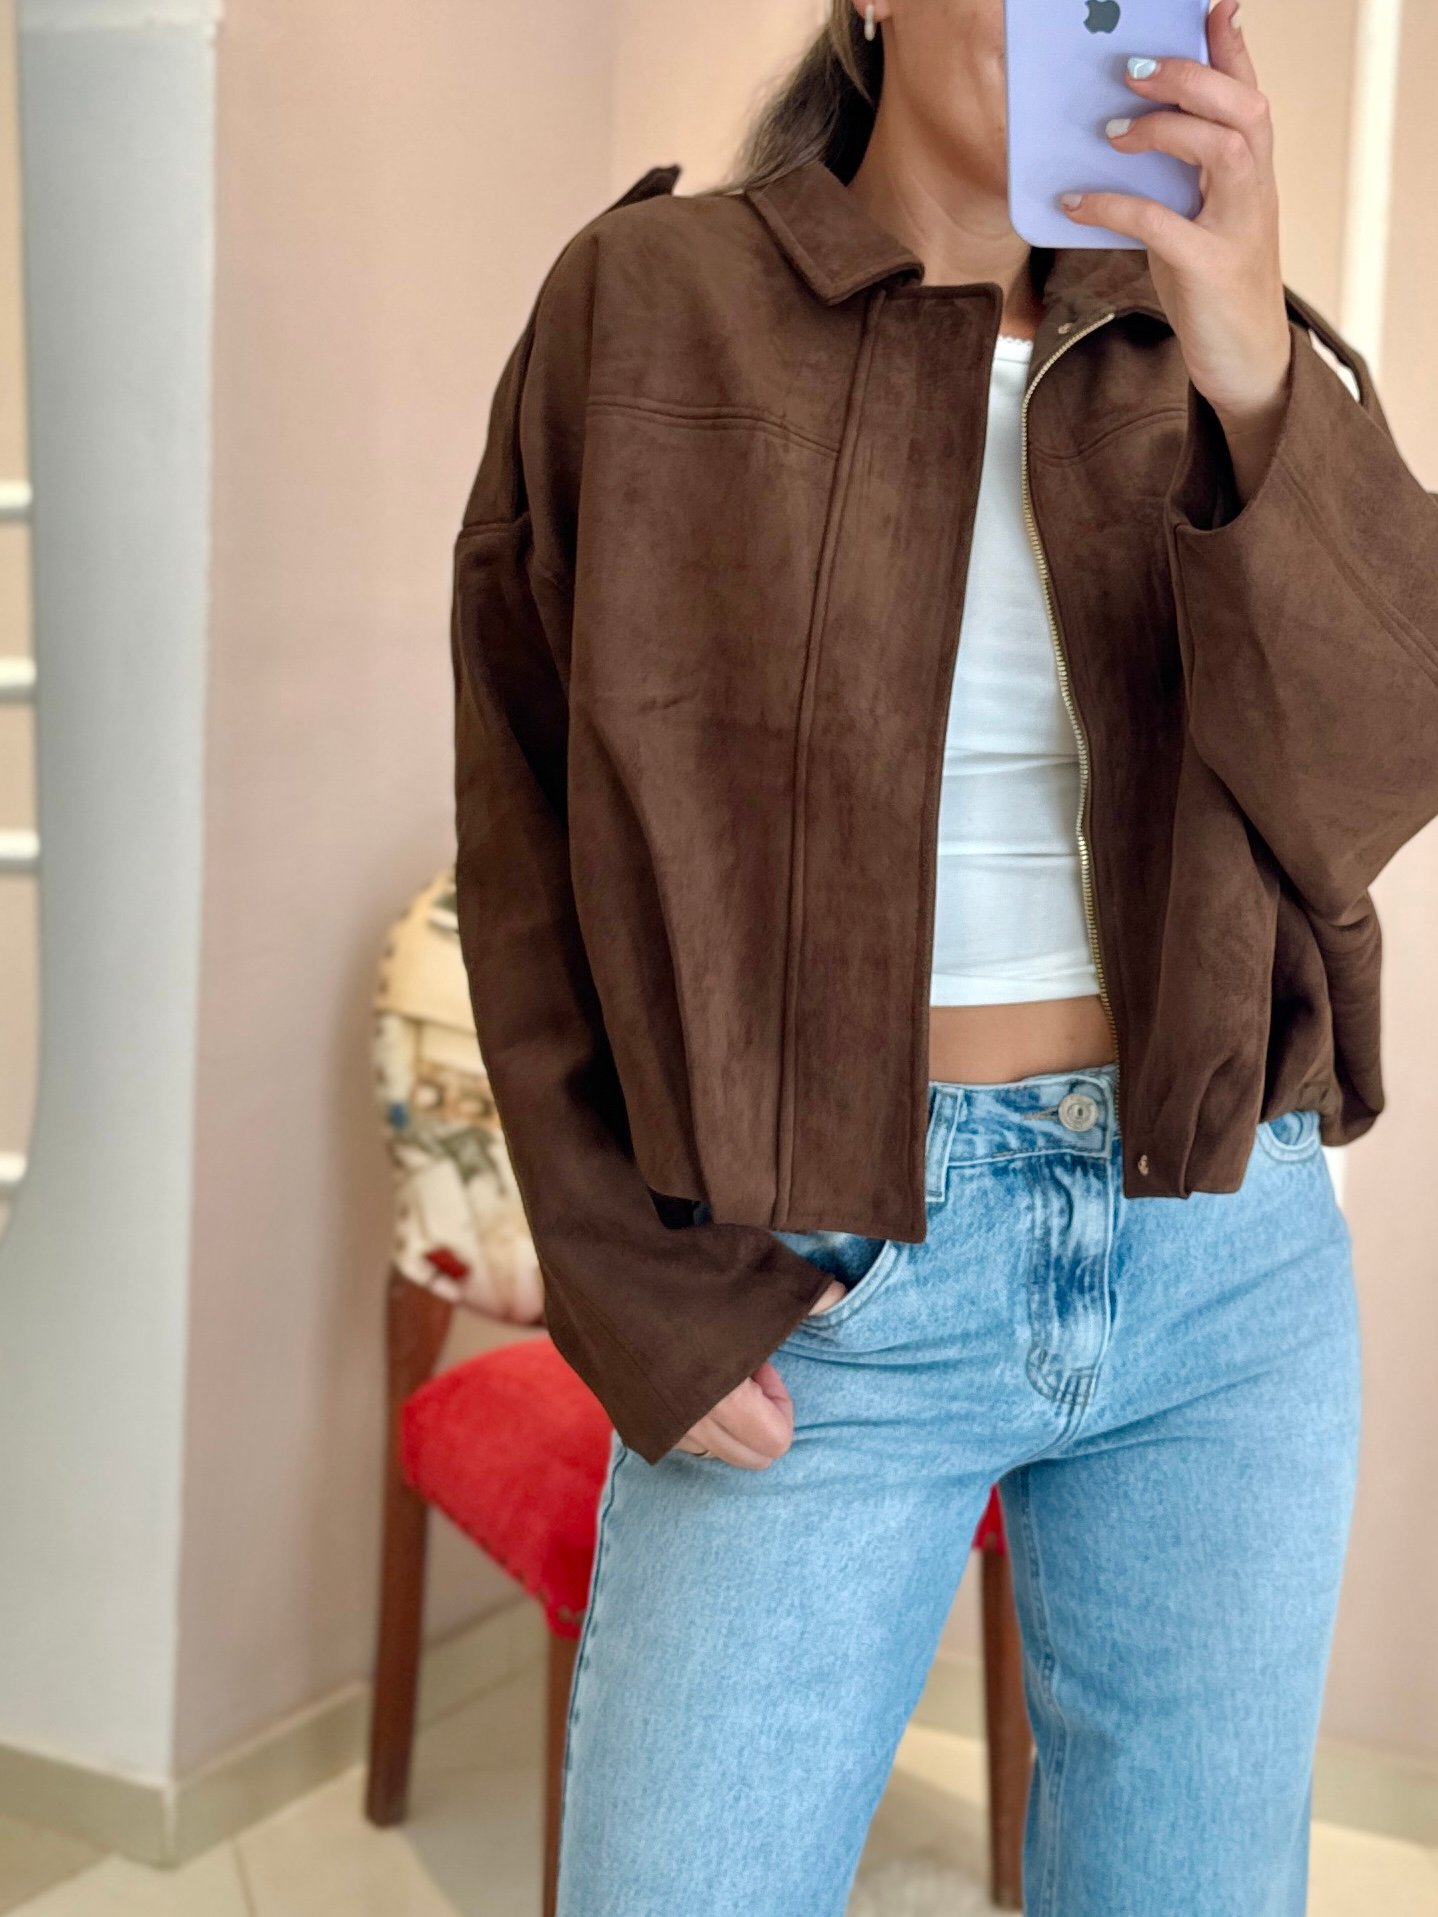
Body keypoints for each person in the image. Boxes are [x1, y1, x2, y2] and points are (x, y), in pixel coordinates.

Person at [448, 2, 1438, 1911]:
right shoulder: (650, 305)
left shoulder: (1234, 353)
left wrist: (1245, 355)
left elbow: (1378, 772)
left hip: (1218, 1261)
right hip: (814, 1272)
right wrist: (625, 1272)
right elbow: (526, 816)